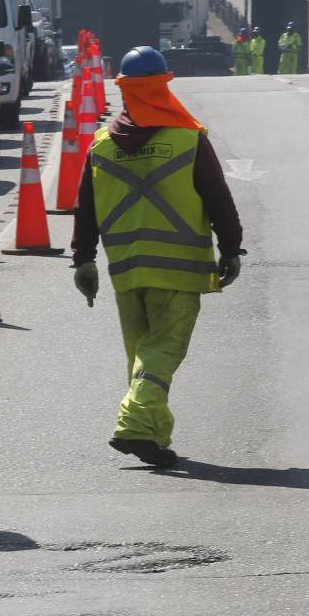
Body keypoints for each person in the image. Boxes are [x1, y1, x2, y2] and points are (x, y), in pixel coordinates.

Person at [70, 47, 244, 467]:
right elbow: (219, 200)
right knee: (163, 351)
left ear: (125, 91)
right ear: (165, 84)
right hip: (178, 268)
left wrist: (83, 260)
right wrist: (232, 248)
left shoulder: (101, 144)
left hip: (126, 270)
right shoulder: (188, 139)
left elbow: (85, 208)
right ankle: (133, 424)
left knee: (142, 356)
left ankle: (152, 437)